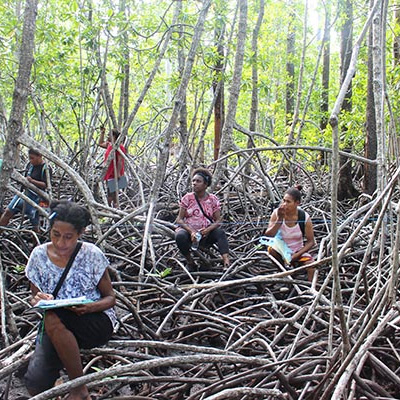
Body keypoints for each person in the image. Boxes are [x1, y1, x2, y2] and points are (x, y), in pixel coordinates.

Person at [24, 201, 116, 400]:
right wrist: (40, 298)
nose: (61, 243)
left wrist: (89, 307)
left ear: (80, 233)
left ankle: (78, 388)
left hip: (94, 321)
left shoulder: (92, 254)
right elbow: (34, 298)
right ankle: (63, 383)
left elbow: (110, 298)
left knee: (53, 318)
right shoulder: (38, 256)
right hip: (56, 325)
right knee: (35, 384)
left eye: (68, 237)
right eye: (55, 234)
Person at [175, 167, 230, 269]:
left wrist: (206, 230)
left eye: (198, 181)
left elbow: (218, 220)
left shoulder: (213, 199)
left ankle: (226, 262)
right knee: (180, 236)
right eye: (193, 181)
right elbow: (179, 219)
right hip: (189, 234)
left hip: (205, 234)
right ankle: (190, 262)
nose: (194, 183)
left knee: (220, 233)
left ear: (205, 185)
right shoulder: (187, 198)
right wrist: (192, 232)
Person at [264, 185, 316, 281]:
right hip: (280, 250)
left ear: (297, 203)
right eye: (283, 200)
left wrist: (295, 256)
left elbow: (311, 242)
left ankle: (311, 290)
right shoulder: (277, 213)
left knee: (311, 266)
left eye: (288, 202)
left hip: (297, 251)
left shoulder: (304, 217)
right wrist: (279, 219)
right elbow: (269, 235)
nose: (284, 204)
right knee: (271, 249)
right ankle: (283, 273)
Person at [0, 149, 51, 232]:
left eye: (32, 158)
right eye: (29, 158)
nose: (30, 160)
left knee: (35, 223)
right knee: (8, 212)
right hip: (24, 194)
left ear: (40, 156)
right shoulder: (29, 165)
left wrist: (32, 181)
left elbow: (46, 185)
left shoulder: (46, 168)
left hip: (37, 198)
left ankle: (36, 243)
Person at [98, 126, 127, 207]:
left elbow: (120, 161)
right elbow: (100, 143)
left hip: (115, 173)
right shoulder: (109, 145)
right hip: (109, 173)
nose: (107, 136)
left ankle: (110, 209)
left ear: (114, 136)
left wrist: (118, 174)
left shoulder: (120, 146)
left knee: (113, 194)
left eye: (109, 135)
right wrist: (102, 133)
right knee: (111, 192)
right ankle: (113, 208)